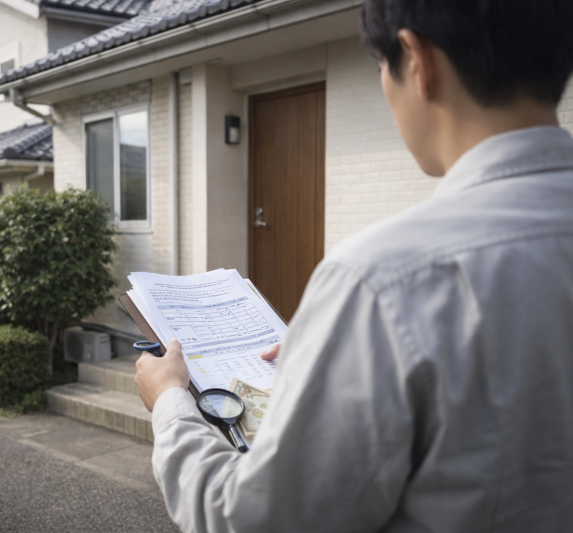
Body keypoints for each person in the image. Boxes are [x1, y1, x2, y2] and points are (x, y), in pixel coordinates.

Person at [134, 1, 573, 531]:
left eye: (380, 68)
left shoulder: (382, 282)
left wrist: (170, 403)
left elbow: (251, 520)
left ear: (416, 60)